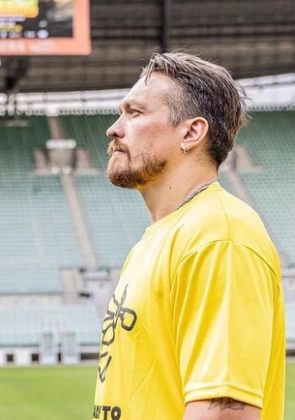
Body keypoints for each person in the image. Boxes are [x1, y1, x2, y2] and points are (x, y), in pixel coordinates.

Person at [93, 52, 284, 420]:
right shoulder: (156, 240)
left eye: (135, 113)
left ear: (191, 132)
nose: (114, 129)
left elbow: (225, 412)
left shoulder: (219, 236)